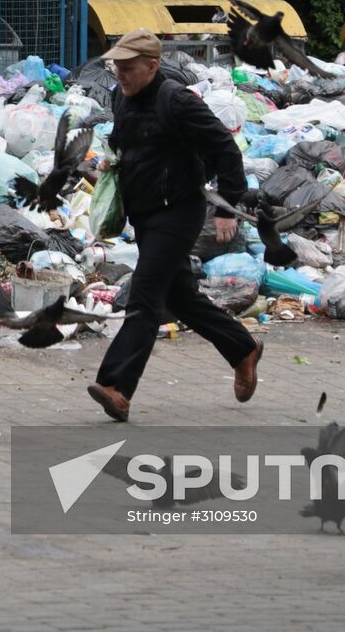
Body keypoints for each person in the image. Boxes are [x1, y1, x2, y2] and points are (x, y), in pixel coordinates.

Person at [87, 28, 263, 422]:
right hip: (144, 212)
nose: (121, 75)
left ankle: (117, 386)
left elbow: (225, 149)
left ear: (152, 66)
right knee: (181, 297)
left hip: (178, 212)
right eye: (117, 67)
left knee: (144, 299)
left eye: (129, 68)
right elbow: (124, 143)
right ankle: (243, 348)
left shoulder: (177, 101)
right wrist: (110, 162)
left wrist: (226, 207)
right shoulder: (122, 97)